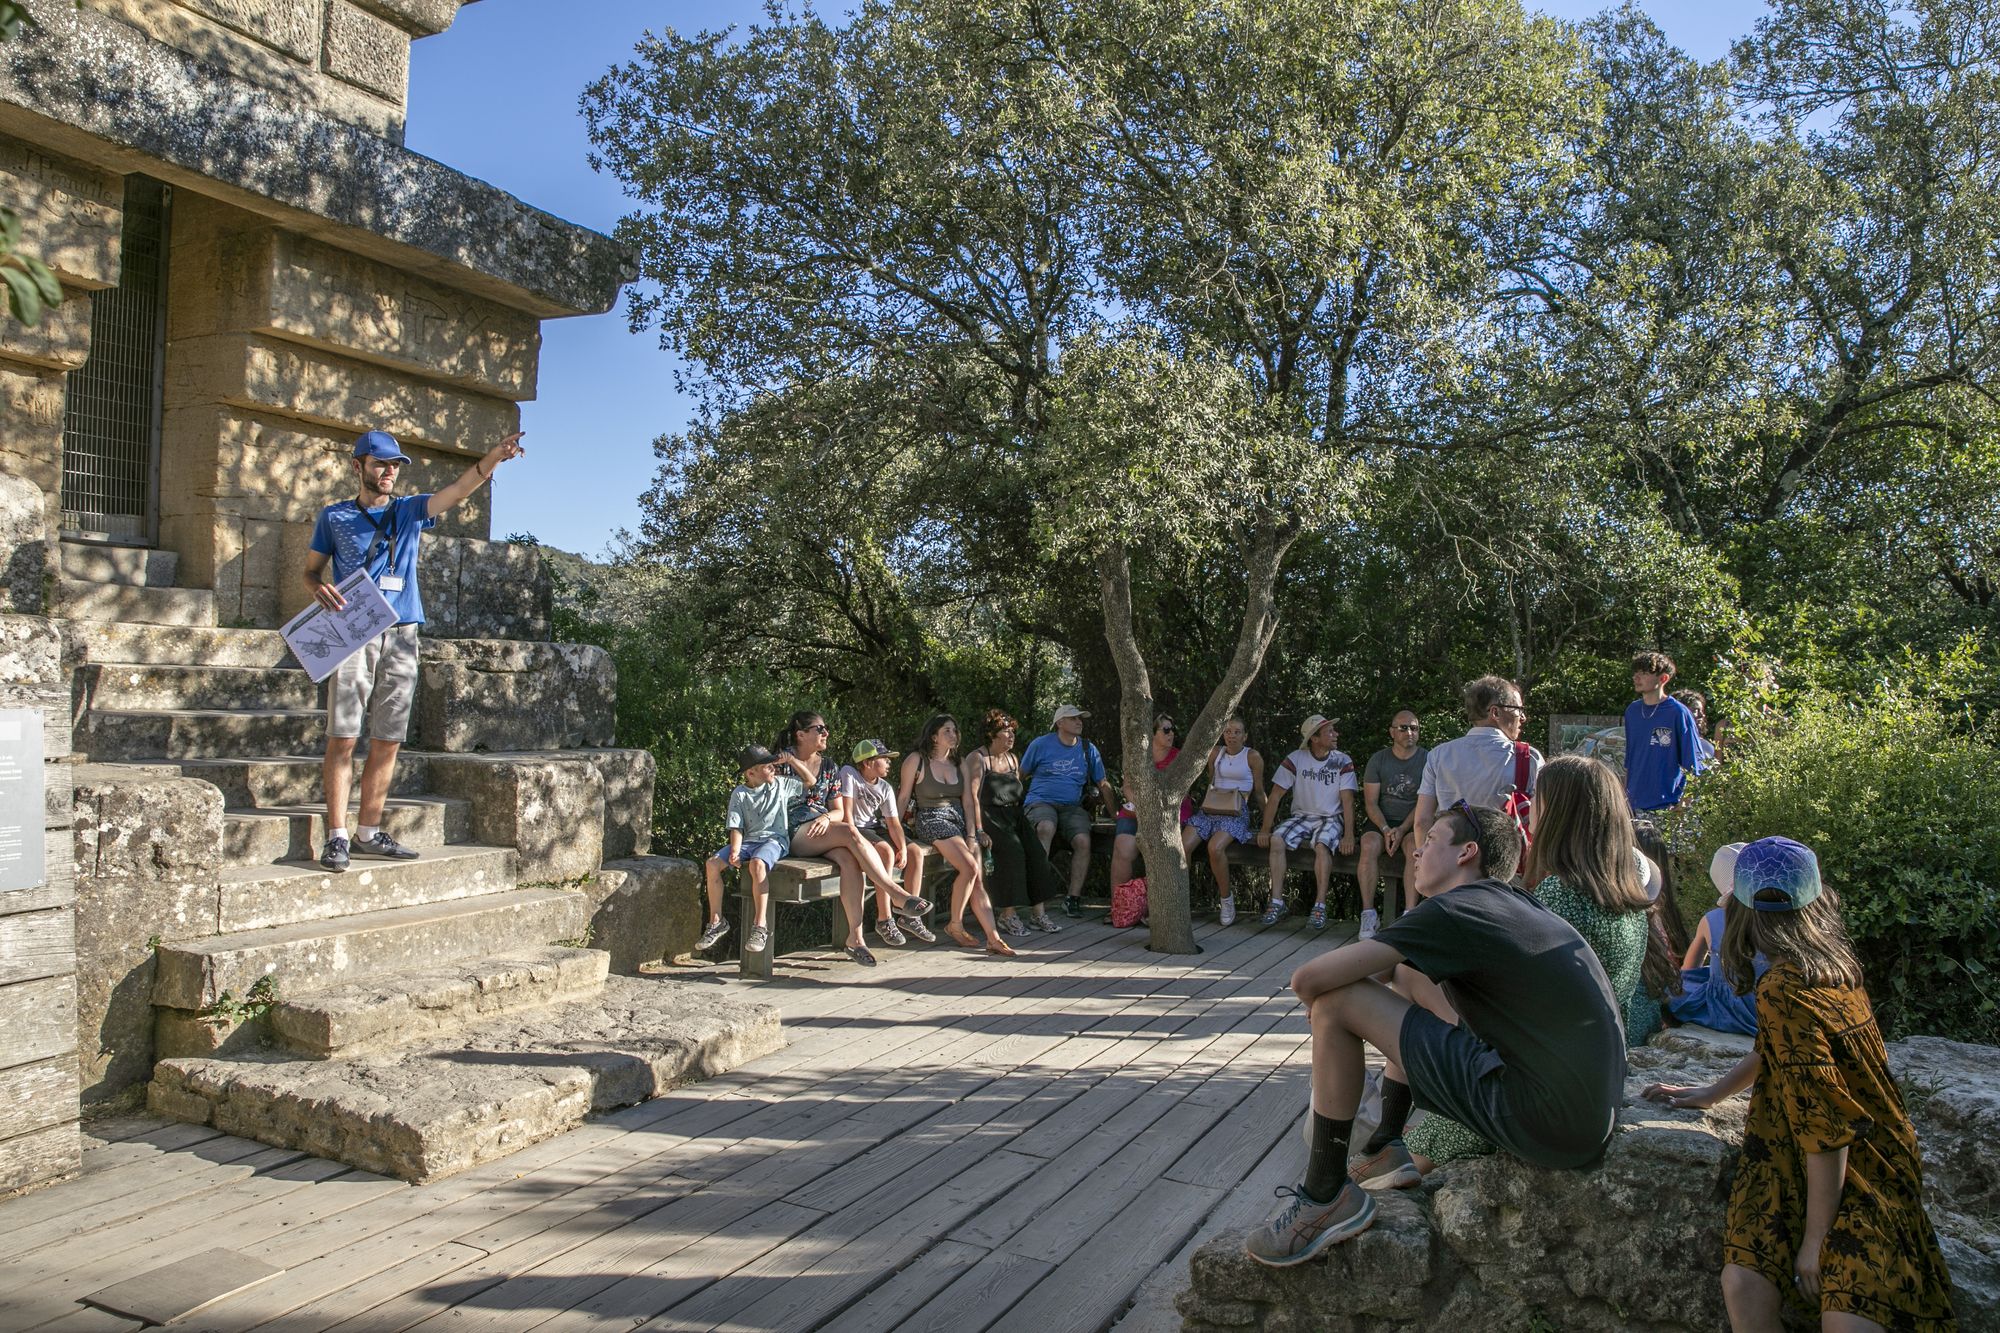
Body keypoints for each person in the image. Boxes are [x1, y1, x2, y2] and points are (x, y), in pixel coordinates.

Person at [1243, 804, 1626, 1268]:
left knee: (1334, 1003)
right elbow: (1394, 970)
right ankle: (1387, 1141)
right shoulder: (1512, 902)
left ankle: (1324, 1195)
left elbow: (1307, 980)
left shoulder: (1456, 909)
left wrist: (1331, 1013)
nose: (1417, 852)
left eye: (1430, 842)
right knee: (1405, 976)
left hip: (1541, 1117)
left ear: (1467, 852)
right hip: (1580, 1118)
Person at [1643, 838, 1958, 1333]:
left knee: (1802, 1296)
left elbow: (1825, 1128)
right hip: (1871, 1146)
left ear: (1738, 910)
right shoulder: (1833, 963)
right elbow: (1774, 1047)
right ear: (1817, 901)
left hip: (1845, 1161)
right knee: (1747, 1280)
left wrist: (1815, 1241)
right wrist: (1712, 1093)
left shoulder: (1783, 986)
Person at [1397, 756, 1670, 1173]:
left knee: (1408, 977)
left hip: (1541, 1073)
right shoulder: (1627, 878)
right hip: (1601, 1061)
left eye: (1537, 801)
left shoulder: (1561, 896)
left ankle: (1379, 1143)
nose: (1529, 810)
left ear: (1559, 812)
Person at [304, 428, 525, 871]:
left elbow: (457, 491)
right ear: (358, 466)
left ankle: (369, 831)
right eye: (381, 464)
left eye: (395, 466)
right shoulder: (334, 517)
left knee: (387, 739)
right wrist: (317, 589)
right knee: (344, 736)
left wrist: (493, 458)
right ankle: (337, 836)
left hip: (403, 634)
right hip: (354, 632)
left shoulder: (408, 512)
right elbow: (311, 571)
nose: (388, 472)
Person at [773, 710, 901, 968]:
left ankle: (855, 939)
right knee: (849, 831)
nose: (826, 733)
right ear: (801, 734)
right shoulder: (781, 761)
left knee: (849, 861)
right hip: (794, 832)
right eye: (820, 729)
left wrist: (826, 818)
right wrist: (823, 820)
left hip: (824, 829)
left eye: (825, 728)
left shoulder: (829, 766)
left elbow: (839, 810)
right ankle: (894, 891)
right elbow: (774, 801)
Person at [899, 714, 1016, 956]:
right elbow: (902, 798)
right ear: (934, 736)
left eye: (955, 730)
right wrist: (895, 832)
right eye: (947, 731)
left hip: (959, 822)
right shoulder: (916, 761)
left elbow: (969, 803)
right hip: (932, 818)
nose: (954, 735)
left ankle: (993, 938)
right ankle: (955, 924)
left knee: (976, 877)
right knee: (970, 869)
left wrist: (973, 834)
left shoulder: (959, 763)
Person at [1410, 676, 1543, 847]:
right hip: (1507, 865)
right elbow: (1542, 821)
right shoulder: (1528, 758)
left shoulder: (1439, 755)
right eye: (1518, 709)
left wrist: (1425, 863)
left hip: (1449, 860)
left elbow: (1422, 821)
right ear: (1495, 712)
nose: (1523, 717)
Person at [964, 710, 1064, 937]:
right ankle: (1007, 915)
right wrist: (978, 830)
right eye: (1005, 731)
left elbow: (1016, 790)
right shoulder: (978, 758)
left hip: (1014, 816)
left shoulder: (1012, 758)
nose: (1011, 736)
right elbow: (973, 797)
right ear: (992, 734)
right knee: (1013, 852)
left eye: (1012, 731)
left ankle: (1038, 914)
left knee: (1037, 853)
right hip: (990, 817)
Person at [1255, 715, 1358, 931]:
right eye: (1330, 731)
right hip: (1302, 816)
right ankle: (1277, 902)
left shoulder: (1342, 760)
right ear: (1315, 738)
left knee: (1322, 845)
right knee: (1277, 839)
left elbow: (1348, 801)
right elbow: (1275, 796)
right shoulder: (1296, 759)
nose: (1335, 734)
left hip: (1330, 817)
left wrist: (1349, 834)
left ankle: (1319, 906)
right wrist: (1265, 829)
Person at [697, 744, 800, 957]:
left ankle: (760, 926)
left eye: (773, 763)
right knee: (712, 864)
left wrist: (792, 761)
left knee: (757, 864)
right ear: (751, 773)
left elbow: (810, 782)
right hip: (748, 842)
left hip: (774, 840)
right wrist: (734, 851)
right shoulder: (740, 794)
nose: (772, 767)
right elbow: (737, 826)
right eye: (767, 765)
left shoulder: (780, 785)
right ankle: (716, 921)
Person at [835, 739, 936, 947]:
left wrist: (903, 849)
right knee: (885, 852)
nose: (889, 763)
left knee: (916, 851)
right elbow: (848, 814)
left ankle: (909, 916)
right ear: (868, 762)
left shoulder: (885, 787)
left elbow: (893, 823)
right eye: (884, 759)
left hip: (875, 827)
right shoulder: (849, 774)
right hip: (857, 829)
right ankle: (884, 918)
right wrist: (853, 836)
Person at [1020, 705, 1118, 917]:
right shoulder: (1040, 744)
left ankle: (1072, 898)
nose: (1079, 722)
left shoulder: (1087, 748)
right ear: (1059, 723)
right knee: (1045, 827)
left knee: (1083, 841)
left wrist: (1115, 815)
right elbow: (1020, 775)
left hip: (1072, 807)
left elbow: (1103, 783)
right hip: (1040, 802)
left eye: (1080, 719)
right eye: (1073, 718)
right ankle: (1038, 896)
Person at [1666, 841, 1764, 1035]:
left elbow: (1688, 969)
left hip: (1727, 1011)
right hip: (1764, 1006)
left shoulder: (1711, 919)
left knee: (1677, 987)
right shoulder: (1773, 918)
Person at [1182, 716, 1264, 926]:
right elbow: (1211, 782)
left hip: (1236, 812)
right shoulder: (1216, 753)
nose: (1232, 735)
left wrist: (1267, 825)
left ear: (1245, 736)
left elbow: (1259, 791)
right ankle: (1180, 899)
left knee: (1215, 848)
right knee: (1182, 846)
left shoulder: (1252, 756)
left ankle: (1226, 900)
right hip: (1211, 810)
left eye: (1237, 732)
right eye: (1228, 731)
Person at [1357, 710, 1428, 938]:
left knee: (1413, 848)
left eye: (1414, 728)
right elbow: (1370, 803)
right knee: (1368, 845)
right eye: (1404, 727)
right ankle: (1368, 914)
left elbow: (1425, 803)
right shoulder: (1378, 760)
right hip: (1381, 821)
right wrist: (1387, 829)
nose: (1410, 732)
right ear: (1392, 732)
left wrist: (1402, 829)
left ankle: (1409, 914)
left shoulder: (1428, 759)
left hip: (1413, 821)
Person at [1108, 714, 1193, 890]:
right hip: (1135, 811)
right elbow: (1127, 788)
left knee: (1160, 852)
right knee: (1123, 849)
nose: (1171, 734)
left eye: (1173, 730)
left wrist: (1155, 808)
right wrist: (1143, 806)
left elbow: (1182, 792)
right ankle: (1120, 906)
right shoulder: (1138, 756)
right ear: (1152, 733)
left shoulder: (1180, 758)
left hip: (1169, 813)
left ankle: (1154, 908)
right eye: (1166, 730)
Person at [1625, 651, 1705, 813]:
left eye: (1644, 673)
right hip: (1632, 806)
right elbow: (1630, 761)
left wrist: (1682, 806)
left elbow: (1695, 766)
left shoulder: (1678, 712)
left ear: (1663, 679)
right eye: (1636, 673)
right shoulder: (1632, 711)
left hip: (1666, 808)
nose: (1636, 677)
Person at [1676, 687, 1719, 767]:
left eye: (1702, 711)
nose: (1701, 715)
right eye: (1695, 710)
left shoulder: (1706, 746)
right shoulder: (1671, 744)